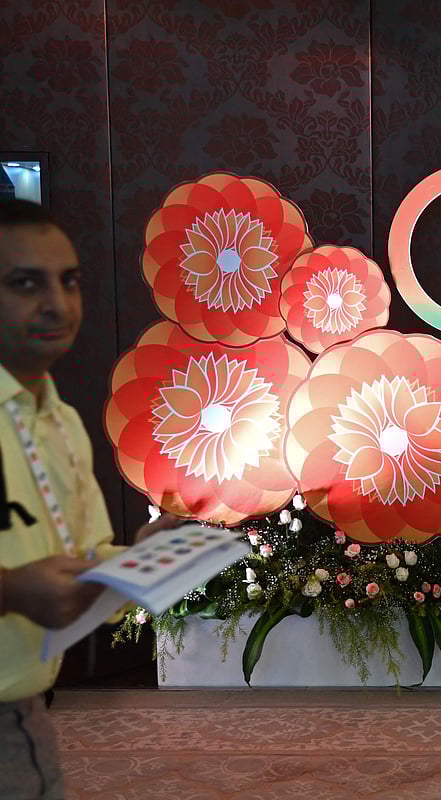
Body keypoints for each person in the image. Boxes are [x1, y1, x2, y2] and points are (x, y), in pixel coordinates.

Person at [0, 199, 174, 799]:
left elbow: (80, 559)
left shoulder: (61, 421)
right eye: (26, 283)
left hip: (23, 710)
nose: (57, 303)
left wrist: (140, 560)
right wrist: (11, 590)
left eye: (69, 281)